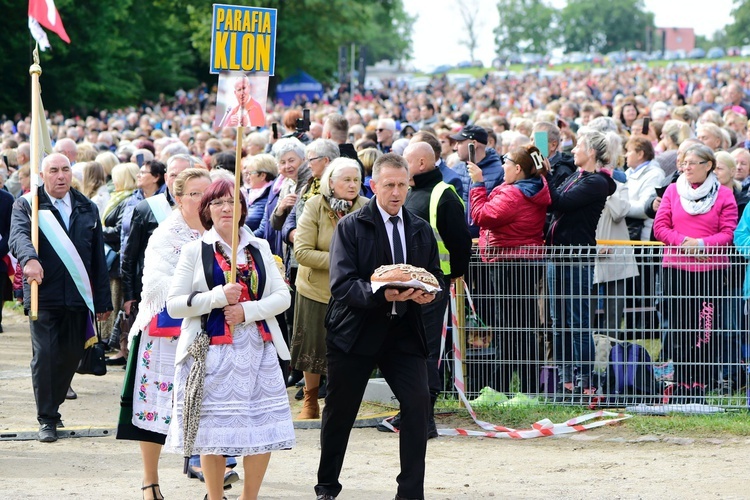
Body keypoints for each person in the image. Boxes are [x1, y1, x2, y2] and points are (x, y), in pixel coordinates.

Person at [315, 153, 443, 500]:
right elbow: (342, 285)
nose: (397, 192)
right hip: (355, 332)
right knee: (340, 412)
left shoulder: (419, 228)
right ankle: (327, 485)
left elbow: (434, 276)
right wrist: (382, 293)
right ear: (374, 186)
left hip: (403, 333)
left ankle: (410, 493)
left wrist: (426, 295)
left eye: (402, 185)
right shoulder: (351, 226)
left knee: (417, 405)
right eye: (389, 185)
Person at [165, 179, 295, 500]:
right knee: (212, 432)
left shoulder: (259, 247)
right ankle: (214, 495)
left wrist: (247, 310)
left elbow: (282, 297)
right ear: (207, 210)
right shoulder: (196, 250)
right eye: (218, 202)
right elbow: (175, 304)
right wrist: (217, 296)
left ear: (242, 209)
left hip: (256, 350)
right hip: (211, 352)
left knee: (259, 429)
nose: (226, 208)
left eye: (232, 202)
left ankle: (248, 497)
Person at [115, 168, 232, 500]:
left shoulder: (224, 232)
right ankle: (150, 480)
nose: (202, 199)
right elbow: (159, 286)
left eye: (207, 193)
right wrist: (210, 293)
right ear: (178, 198)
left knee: (211, 409)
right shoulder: (166, 235)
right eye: (194, 193)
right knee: (156, 411)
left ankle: (215, 486)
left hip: (212, 331)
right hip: (167, 332)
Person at [9, 153, 112, 442]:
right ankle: (47, 417)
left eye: (65, 169)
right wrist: (29, 258)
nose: (60, 176)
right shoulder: (28, 205)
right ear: (42, 176)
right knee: (45, 356)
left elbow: (96, 258)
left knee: (70, 356)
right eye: (53, 170)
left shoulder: (86, 206)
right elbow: (17, 236)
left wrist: (103, 301)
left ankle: (53, 405)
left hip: (78, 296)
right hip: (44, 294)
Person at [654, 144, 737, 400]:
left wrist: (702, 245)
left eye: (692, 163)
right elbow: (660, 227)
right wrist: (684, 243)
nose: (686, 168)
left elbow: (728, 232)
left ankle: (702, 381)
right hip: (677, 269)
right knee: (680, 327)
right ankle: (682, 380)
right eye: (684, 163)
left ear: (708, 165)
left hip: (710, 271)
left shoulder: (723, 195)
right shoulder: (672, 191)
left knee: (704, 328)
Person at [399, 141, 471, 431]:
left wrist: (450, 277)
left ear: (420, 163)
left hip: (431, 287)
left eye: (406, 160)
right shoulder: (407, 193)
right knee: (405, 350)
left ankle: (424, 418)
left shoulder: (444, 195)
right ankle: (409, 413)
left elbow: (460, 242)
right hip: (405, 285)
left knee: (426, 350)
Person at [468, 144, 551, 395]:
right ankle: (502, 388)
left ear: (517, 168)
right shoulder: (525, 188)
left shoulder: (515, 194)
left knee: (516, 328)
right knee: (512, 327)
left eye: (506, 162)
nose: (502, 167)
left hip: (510, 263)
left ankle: (525, 391)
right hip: (516, 262)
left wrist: (477, 185)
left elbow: (482, 216)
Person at [292, 158, 368, 419]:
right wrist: (342, 261)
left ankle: (340, 403)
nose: (352, 185)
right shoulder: (314, 205)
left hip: (353, 292)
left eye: (356, 180)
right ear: (331, 182)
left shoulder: (366, 208)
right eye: (346, 179)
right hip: (315, 289)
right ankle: (310, 402)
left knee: (348, 350)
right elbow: (302, 252)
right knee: (313, 348)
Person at [546, 130, 616, 397]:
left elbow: (558, 201)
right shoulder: (577, 176)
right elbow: (554, 206)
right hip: (557, 256)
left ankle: (585, 381)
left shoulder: (596, 182)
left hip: (576, 258)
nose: (573, 150)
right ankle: (566, 380)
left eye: (578, 146)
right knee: (558, 320)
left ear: (592, 152)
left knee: (578, 321)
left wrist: (547, 173)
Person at [242, 153, 277, 232]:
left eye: (250, 173)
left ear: (262, 176)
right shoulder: (251, 194)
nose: (248, 177)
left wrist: (244, 241)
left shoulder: (271, 196)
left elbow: (263, 230)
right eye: (247, 174)